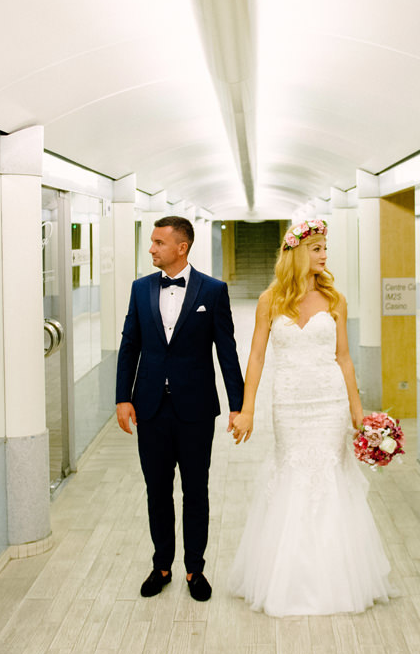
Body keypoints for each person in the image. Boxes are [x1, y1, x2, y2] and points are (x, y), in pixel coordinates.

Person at [228, 219, 392, 616]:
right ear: (297, 252)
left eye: (325, 248)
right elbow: (256, 356)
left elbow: (344, 357)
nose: (323, 255)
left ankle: (334, 578)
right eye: (316, 248)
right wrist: (247, 409)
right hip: (288, 403)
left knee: (328, 476)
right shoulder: (270, 300)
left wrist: (358, 412)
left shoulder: (335, 300)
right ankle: (290, 576)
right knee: (292, 472)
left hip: (329, 402)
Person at [116, 216, 244, 602]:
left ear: (181, 247)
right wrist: (123, 397)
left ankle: (194, 569)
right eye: (152, 242)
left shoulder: (213, 291)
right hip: (150, 407)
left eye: (158, 242)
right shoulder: (140, 289)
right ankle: (161, 566)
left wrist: (238, 406)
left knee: (195, 491)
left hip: (196, 409)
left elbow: (227, 351)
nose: (151, 248)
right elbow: (130, 345)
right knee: (157, 490)